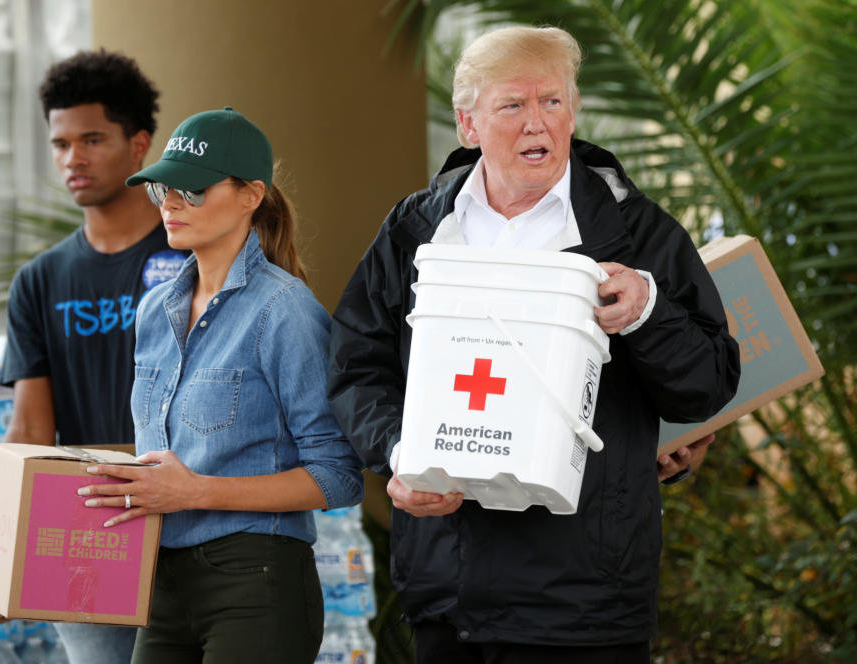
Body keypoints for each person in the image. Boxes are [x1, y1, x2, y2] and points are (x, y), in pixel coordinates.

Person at [327, 25, 740, 663]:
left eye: (552, 101)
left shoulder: (636, 233)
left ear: (573, 112)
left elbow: (708, 383)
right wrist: (399, 452)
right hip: (448, 590)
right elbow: (356, 365)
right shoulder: (416, 229)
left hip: (583, 603)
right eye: (512, 105)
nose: (536, 124)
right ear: (468, 124)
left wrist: (647, 312)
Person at [77, 108, 365, 664]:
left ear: (251, 195)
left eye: (193, 189)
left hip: (255, 583)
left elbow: (339, 475)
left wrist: (198, 492)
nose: (170, 203)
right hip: (159, 581)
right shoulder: (153, 311)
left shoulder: (285, 312)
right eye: (164, 186)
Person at [0, 50, 185, 664]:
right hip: (90, 528)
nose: (71, 159)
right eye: (60, 143)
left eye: (92, 139)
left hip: (194, 519)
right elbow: (28, 428)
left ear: (140, 145)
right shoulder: (39, 281)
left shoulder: (194, 256)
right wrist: (3, 551)